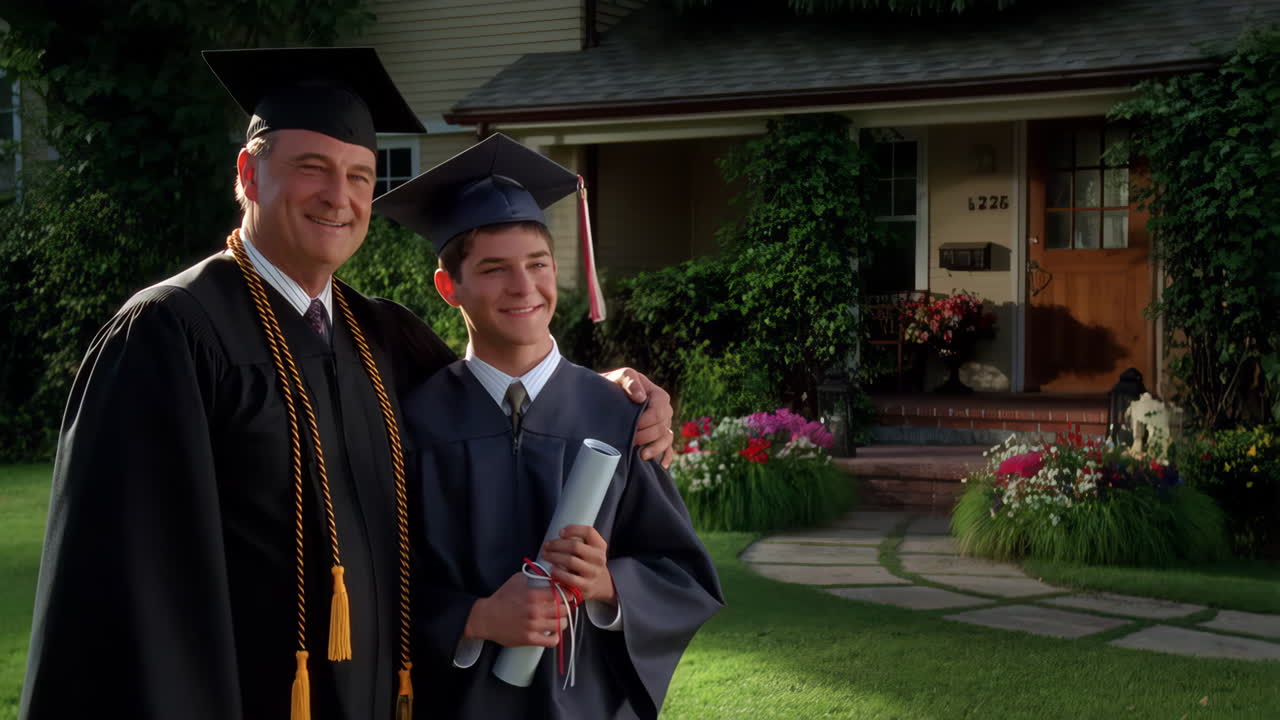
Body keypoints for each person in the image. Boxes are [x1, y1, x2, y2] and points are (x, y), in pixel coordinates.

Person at [20, 49, 674, 720]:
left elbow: (498, 391)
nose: (340, 197)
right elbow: (126, 585)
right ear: (249, 173)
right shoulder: (170, 333)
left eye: (360, 176)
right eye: (312, 169)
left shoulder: (379, 334)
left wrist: (608, 388)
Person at [377, 133, 724, 720]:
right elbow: (376, 584)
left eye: (537, 264)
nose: (523, 287)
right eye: (494, 269)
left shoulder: (620, 416)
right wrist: (476, 617)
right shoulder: (408, 424)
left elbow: (684, 577)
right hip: (457, 706)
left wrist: (608, 584)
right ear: (449, 287)